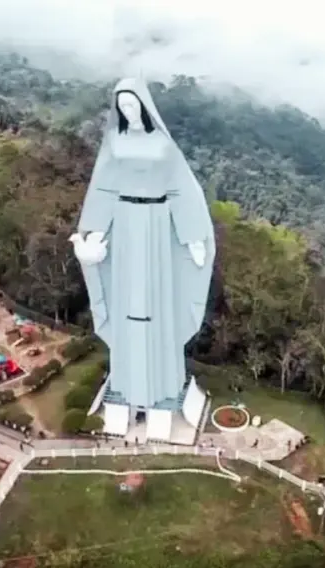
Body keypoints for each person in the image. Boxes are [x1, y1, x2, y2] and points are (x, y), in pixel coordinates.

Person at [71, 78, 216, 412]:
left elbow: (182, 189)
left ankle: (164, 381)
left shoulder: (163, 144)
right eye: (122, 105)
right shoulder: (114, 141)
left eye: (132, 103)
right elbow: (102, 189)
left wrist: (193, 237)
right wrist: (93, 233)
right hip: (124, 224)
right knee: (126, 298)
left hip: (158, 225)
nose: (128, 109)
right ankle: (126, 381)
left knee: (159, 298)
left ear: (144, 105)